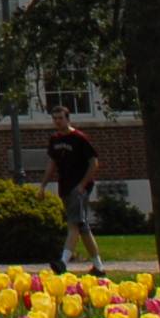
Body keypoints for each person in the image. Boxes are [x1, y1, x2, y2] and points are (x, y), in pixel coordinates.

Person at [41, 98, 106, 275]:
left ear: (68, 119)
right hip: (65, 187)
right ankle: (98, 267)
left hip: (79, 188)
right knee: (83, 227)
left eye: (61, 118)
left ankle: (62, 262)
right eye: (55, 118)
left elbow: (94, 163)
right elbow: (52, 164)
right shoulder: (54, 140)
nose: (58, 121)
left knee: (73, 224)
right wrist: (43, 186)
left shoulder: (79, 138)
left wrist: (82, 185)